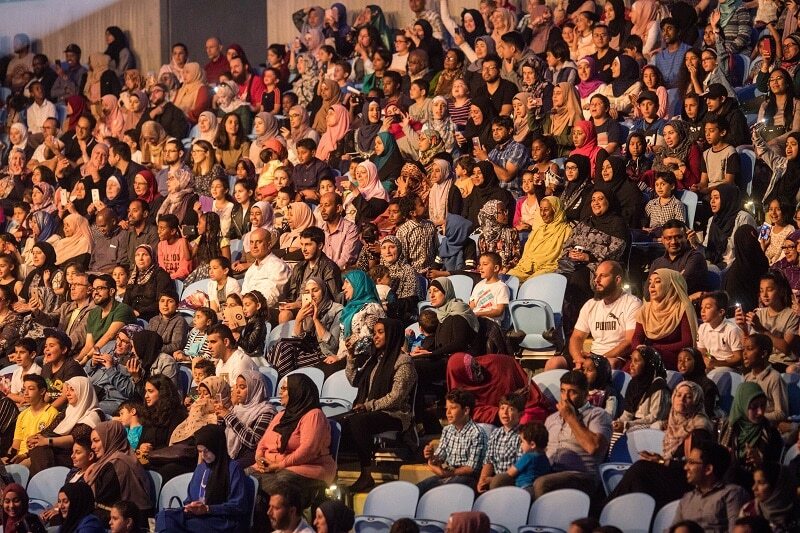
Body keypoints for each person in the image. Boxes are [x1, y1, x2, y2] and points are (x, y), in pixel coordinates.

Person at [338, 318, 417, 492]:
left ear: (392, 335)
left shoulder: (403, 362)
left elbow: (396, 397)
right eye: (374, 333)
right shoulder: (375, 359)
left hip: (394, 415)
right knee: (337, 422)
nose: (375, 336)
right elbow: (355, 381)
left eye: (380, 332)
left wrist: (368, 406)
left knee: (359, 422)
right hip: (372, 411)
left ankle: (366, 474)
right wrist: (351, 357)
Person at [609, 381, 714, 508]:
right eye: (679, 395)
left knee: (640, 470)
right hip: (673, 475)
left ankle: (606, 508)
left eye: (688, 396)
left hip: (687, 482)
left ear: (696, 401)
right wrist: (658, 460)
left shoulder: (700, 428)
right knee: (639, 479)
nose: (682, 400)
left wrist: (661, 462)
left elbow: (696, 465)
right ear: (673, 397)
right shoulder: (674, 423)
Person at [250, 374, 336, 506]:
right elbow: (263, 442)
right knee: (241, 478)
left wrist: (279, 465)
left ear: (297, 392)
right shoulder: (281, 415)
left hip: (307, 467)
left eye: (284, 389)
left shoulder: (314, 415)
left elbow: (308, 451)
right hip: (272, 466)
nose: (280, 392)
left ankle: (269, 524)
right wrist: (259, 458)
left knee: (272, 486)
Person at [155, 424, 252, 533]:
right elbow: (190, 498)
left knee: (186, 525)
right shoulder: (201, 468)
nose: (203, 455)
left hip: (222, 520)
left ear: (216, 447)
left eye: (206, 450)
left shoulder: (233, 468)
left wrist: (208, 509)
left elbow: (239, 506)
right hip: (199, 517)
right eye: (200, 451)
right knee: (164, 516)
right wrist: (190, 507)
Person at [533, 370, 611, 499]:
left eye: (572, 392)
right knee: (506, 481)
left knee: (543, 483)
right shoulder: (551, 419)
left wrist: (570, 417)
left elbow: (593, 447)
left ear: (586, 394)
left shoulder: (598, 415)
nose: (565, 397)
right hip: (550, 471)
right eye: (563, 391)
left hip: (582, 477)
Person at [268, 277, 342, 378]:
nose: (311, 295)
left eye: (315, 290)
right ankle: (282, 384)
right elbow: (298, 341)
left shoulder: (337, 310)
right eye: (307, 292)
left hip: (324, 354)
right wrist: (299, 320)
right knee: (281, 346)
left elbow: (332, 347)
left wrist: (315, 319)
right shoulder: (307, 308)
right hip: (309, 351)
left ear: (324, 291)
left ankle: (279, 384)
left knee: (284, 356)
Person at [28, 376, 102, 476]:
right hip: (58, 452)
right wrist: (36, 437)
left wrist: (46, 441)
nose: (67, 394)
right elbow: (50, 429)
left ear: (84, 391)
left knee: (40, 449)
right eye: (67, 390)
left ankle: (45, 484)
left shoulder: (94, 414)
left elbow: (75, 438)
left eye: (72, 390)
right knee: (38, 449)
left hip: (76, 455)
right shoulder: (68, 410)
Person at [418, 389, 487, 494]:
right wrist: (431, 456)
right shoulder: (447, 430)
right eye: (447, 408)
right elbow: (440, 457)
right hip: (450, 474)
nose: (448, 413)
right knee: (419, 488)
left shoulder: (477, 433)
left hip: (469, 479)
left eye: (453, 408)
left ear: (466, 410)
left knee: (445, 490)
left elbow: (472, 468)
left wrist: (446, 474)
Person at [672, 441, 749, 532]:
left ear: (708, 469)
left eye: (691, 462)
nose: (685, 467)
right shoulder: (687, 498)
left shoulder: (732, 494)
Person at [85, 421, 153, 524]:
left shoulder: (117, 464)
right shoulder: (115, 459)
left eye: (96, 441)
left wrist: (87, 480)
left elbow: (100, 496)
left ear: (111, 439)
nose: (92, 446)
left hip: (124, 520)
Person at [632, 269, 699, 370]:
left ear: (671, 285)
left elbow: (687, 342)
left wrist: (655, 349)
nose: (651, 286)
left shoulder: (683, 308)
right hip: (648, 355)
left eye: (658, 281)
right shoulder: (645, 309)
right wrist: (639, 348)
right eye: (650, 282)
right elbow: (636, 337)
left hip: (673, 357)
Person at [719, 382, 783, 488]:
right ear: (742, 405)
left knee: (733, 474)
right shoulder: (726, 428)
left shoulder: (771, 434)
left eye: (763, 406)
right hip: (724, 481)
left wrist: (760, 463)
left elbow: (775, 474)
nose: (760, 412)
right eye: (754, 407)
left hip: (754, 485)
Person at [508, 196, 571, 282]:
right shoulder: (539, 230)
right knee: (509, 278)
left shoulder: (566, 230)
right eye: (540, 209)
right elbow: (527, 254)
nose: (542, 213)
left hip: (548, 268)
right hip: (527, 267)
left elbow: (563, 256)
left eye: (546, 210)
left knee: (532, 282)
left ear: (555, 210)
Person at [611, 346, 670, 432]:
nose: (631, 365)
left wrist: (627, 425)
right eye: (631, 360)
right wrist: (617, 423)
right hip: (631, 427)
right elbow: (627, 414)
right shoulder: (633, 384)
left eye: (636, 361)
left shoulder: (659, 386)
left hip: (651, 431)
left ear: (648, 364)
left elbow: (654, 419)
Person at [650, 220, 708, 298]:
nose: (673, 242)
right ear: (663, 240)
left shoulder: (695, 258)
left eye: (678, 237)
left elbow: (680, 288)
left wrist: (659, 286)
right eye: (669, 238)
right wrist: (675, 280)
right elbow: (647, 294)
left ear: (686, 237)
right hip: (660, 308)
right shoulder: (657, 263)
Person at [742, 333, 789, 425]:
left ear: (763, 353)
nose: (744, 353)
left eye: (750, 349)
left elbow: (782, 413)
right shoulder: (748, 377)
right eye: (744, 349)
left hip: (766, 428)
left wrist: (754, 416)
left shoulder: (774, 378)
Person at [739, 462, 800, 532]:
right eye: (754, 482)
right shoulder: (748, 512)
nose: (754, 488)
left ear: (779, 486)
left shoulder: (796, 512)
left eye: (761, 483)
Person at [697, 291, 744, 370]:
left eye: (708, 307)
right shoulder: (702, 328)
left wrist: (718, 363)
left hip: (729, 368)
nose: (702, 311)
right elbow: (702, 351)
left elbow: (739, 357)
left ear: (721, 312)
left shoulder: (732, 330)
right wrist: (707, 358)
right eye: (702, 307)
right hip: (710, 366)